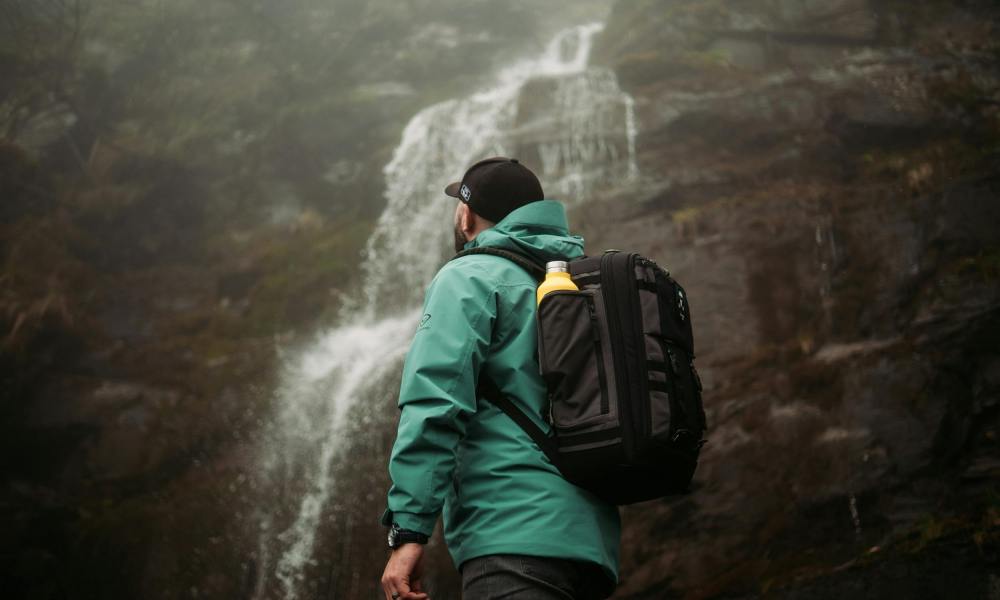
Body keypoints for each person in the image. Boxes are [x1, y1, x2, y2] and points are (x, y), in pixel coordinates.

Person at [380, 157, 621, 600]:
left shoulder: (469, 276)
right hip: (590, 548)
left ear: (466, 215)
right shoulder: (577, 284)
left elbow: (434, 402)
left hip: (511, 537)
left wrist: (408, 531)